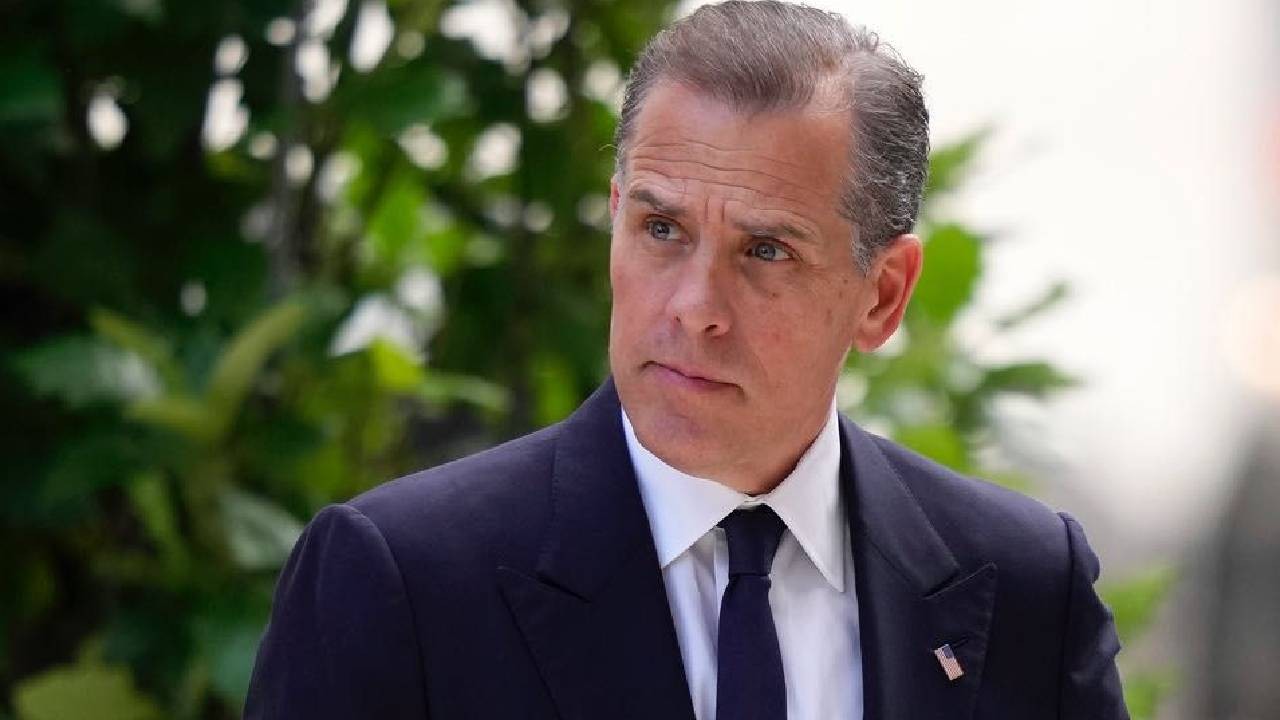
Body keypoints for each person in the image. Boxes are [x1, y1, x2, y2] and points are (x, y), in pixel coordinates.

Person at [244, 2, 1129, 718]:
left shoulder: (1026, 586)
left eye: (766, 251)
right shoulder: (405, 581)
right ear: (616, 218)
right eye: (662, 229)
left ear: (883, 295)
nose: (694, 308)